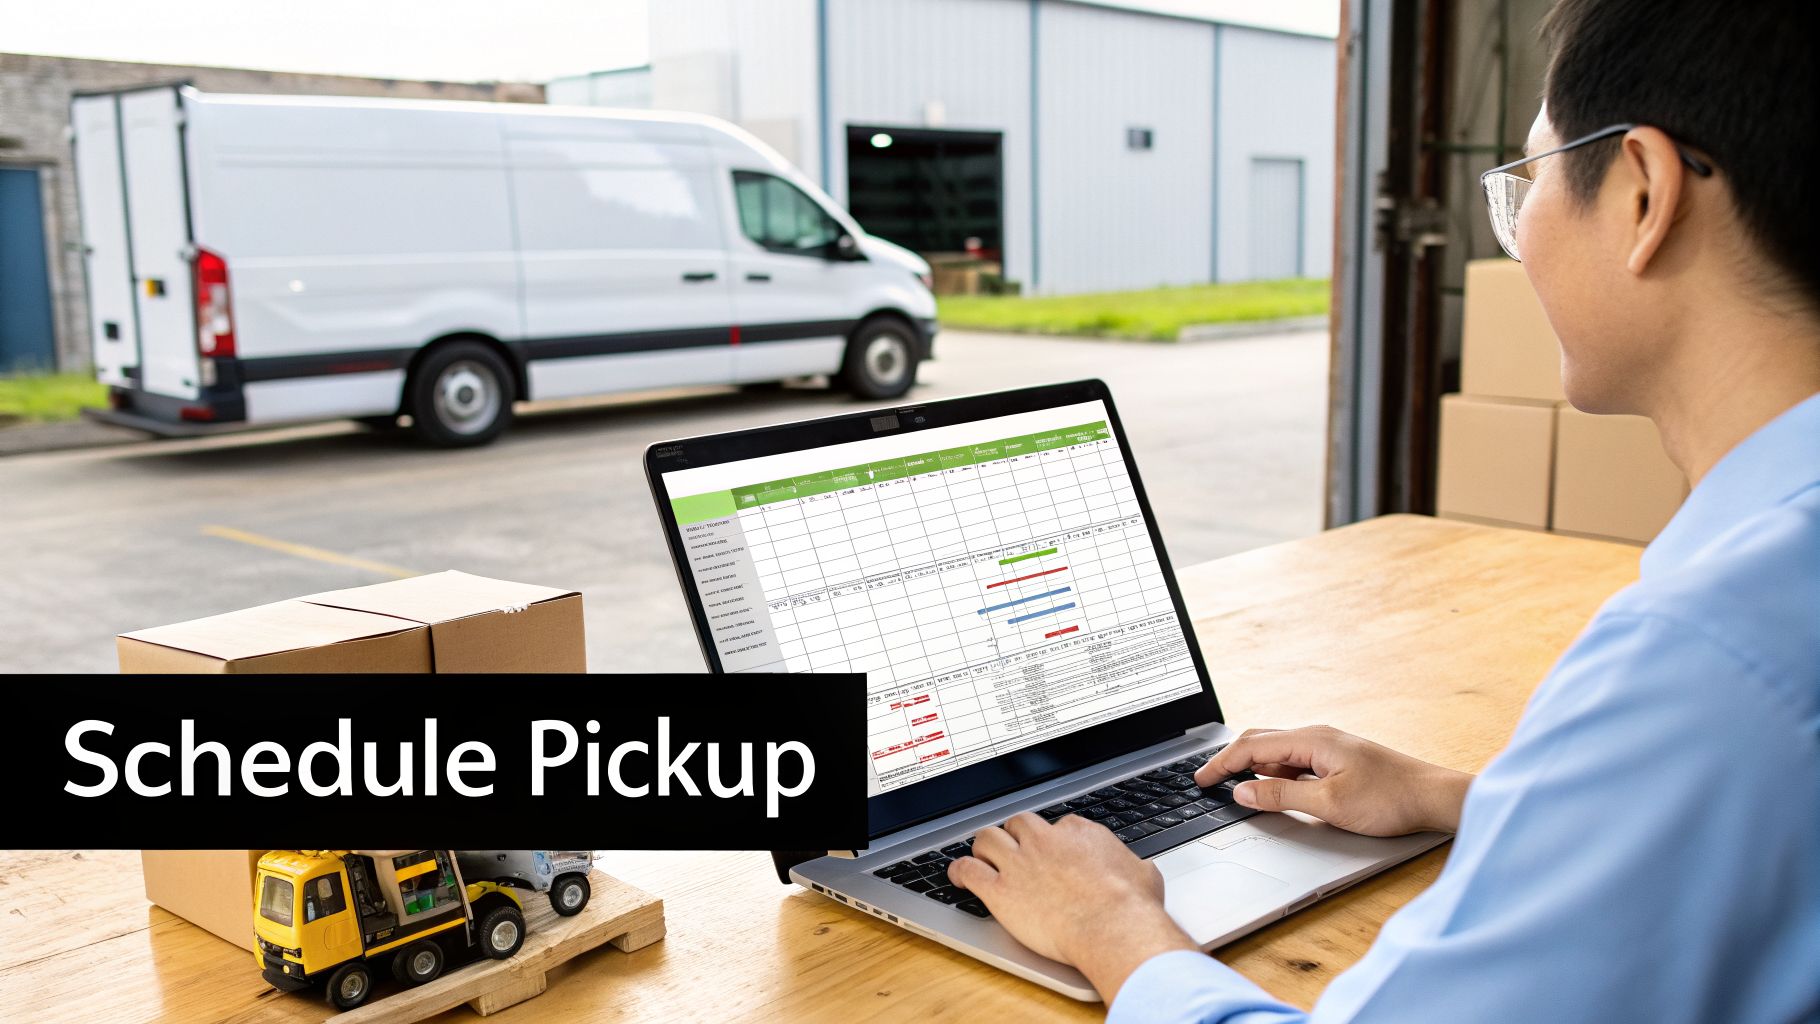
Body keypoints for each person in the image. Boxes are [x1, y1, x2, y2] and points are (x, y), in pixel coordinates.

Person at [943, 0, 1820, 1019]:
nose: (1520, 230)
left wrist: (1114, 927)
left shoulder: (1702, 658)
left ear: (1639, 192)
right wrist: (1468, 798)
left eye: (1527, 179)